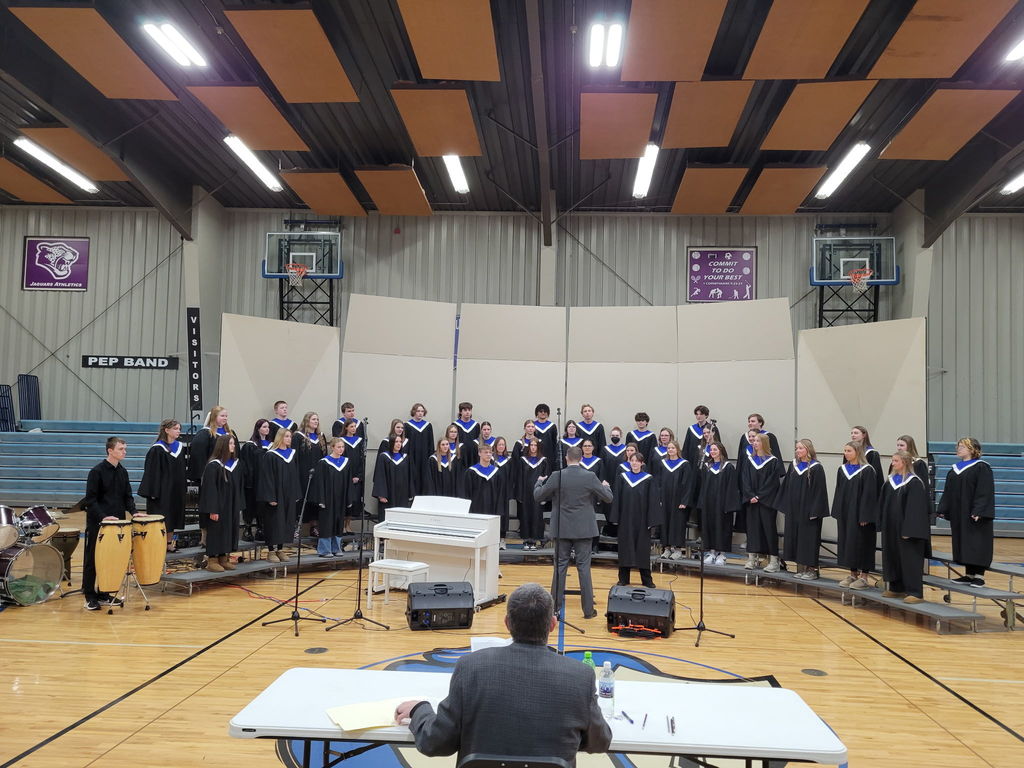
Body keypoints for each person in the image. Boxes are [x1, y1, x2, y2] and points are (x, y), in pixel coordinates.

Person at [395, 583, 612, 765]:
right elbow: (600, 742)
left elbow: (437, 742)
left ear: (507, 623)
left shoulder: (471, 667)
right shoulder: (579, 677)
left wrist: (419, 710)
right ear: (553, 625)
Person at [534, 445, 613, 619]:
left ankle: (554, 609)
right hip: (584, 529)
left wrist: (539, 481)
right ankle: (588, 611)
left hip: (562, 528)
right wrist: (606, 486)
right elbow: (608, 498)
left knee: (560, 567)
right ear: (581, 459)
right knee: (584, 568)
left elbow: (538, 496)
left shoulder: (557, 476)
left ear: (566, 458)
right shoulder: (590, 476)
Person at [81, 437, 139, 610]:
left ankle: (104, 593)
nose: (124, 452)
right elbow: (90, 500)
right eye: (121, 449)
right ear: (110, 451)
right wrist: (103, 516)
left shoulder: (123, 472)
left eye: (125, 449)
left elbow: (127, 496)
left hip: (118, 523)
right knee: (93, 559)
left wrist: (134, 512)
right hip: (98, 523)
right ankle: (90, 596)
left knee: (110, 559)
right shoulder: (96, 472)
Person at [937, 437, 995, 586]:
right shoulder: (955, 469)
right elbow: (948, 491)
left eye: (962, 446)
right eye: (958, 446)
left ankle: (979, 576)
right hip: (959, 513)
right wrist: (943, 508)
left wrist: (979, 510)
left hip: (974, 514)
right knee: (964, 542)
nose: (958, 449)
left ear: (972, 449)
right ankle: (969, 574)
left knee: (977, 542)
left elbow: (985, 491)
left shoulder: (981, 467)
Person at [880, 450, 932, 603]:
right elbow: (884, 504)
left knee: (910, 559)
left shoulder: (914, 482)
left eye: (896, 461)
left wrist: (909, 530)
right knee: (893, 556)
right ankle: (896, 587)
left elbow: (916, 510)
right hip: (891, 527)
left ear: (905, 463)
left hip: (907, 530)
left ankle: (915, 592)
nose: (893, 463)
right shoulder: (891, 481)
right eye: (893, 460)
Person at [832, 441, 880, 589]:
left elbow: (870, 496)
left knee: (862, 543)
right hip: (846, 513)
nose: (846, 453)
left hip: (861, 516)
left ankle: (864, 577)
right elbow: (839, 492)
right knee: (848, 543)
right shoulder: (843, 469)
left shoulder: (867, 470)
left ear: (857, 452)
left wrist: (866, 515)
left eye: (849, 451)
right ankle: (853, 574)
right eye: (845, 450)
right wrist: (838, 512)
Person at [778, 439, 829, 579]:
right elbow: (786, 488)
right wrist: (786, 507)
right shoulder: (794, 466)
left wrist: (815, 511)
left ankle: (812, 570)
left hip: (809, 512)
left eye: (800, 448)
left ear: (808, 449)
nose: (797, 451)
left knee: (809, 540)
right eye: (796, 448)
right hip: (794, 510)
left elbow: (820, 491)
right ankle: (801, 568)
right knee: (796, 538)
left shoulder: (816, 467)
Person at [609, 451, 660, 588]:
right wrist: (616, 518)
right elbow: (617, 498)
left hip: (642, 521)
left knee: (642, 550)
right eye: (632, 460)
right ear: (629, 462)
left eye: (638, 461)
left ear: (642, 463)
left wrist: (651, 522)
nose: (635, 463)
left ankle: (647, 579)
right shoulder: (622, 477)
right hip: (625, 519)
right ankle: (624, 578)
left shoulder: (648, 479)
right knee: (625, 549)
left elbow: (653, 501)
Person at [138, 418, 186, 551]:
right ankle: (158, 544)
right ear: (166, 430)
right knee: (163, 517)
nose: (178, 431)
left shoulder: (180, 448)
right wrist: (152, 492)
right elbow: (151, 473)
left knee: (173, 516)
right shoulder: (157, 449)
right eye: (175, 429)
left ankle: (169, 543)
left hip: (176, 489)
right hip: (162, 491)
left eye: (179, 429)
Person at [740, 433, 785, 572]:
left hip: (766, 502)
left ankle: (773, 560)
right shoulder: (749, 461)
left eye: (758, 440)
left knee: (768, 530)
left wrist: (759, 496)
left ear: (764, 443)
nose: (754, 442)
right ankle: (752, 558)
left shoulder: (773, 461)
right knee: (752, 530)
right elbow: (745, 480)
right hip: (752, 501)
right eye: (754, 440)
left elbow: (772, 483)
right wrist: (750, 495)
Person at [198, 434, 243, 572]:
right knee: (216, 531)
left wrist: (238, 506)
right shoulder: (214, 465)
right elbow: (210, 490)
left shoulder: (235, 464)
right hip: (218, 506)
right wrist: (213, 509)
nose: (233, 446)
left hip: (230, 506)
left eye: (233, 443)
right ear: (223, 446)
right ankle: (212, 560)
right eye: (230, 443)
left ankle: (224, 558)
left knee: (228, 531)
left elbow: (239, 487)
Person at [257, 429, 300, 563]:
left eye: (290, 437)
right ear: (280, 437)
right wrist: (270, 497)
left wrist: (296, 493)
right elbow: (266, 478)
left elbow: (295, 475)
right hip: (275, 495)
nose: (289, 439)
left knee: (286, 521)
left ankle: (280, 549)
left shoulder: (292, 454)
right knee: (273, 522)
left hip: (288, 495)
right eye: (286, 436)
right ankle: (270, 551)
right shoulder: (271, 455)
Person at [696, 442, 740, 565]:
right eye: (711, 450)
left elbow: (732, 488)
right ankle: (712, 552)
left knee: (723, 528)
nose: (713, 451)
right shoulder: (707, 466)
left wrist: (728, 505)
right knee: (709, 526)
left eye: (715, 449)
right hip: (709, 503)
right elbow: (703, 486)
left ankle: (722, 554)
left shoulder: (728, 467)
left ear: (721, 450)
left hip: (722, 504)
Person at [310, 437, 352, 557]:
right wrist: (321, 499)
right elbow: (319, 483)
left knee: (339, 523)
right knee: (327, 523)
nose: (341, 449)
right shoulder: (324, 462)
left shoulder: (346, 462)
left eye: (342, 447)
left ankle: (336, 548)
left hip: (340, 498)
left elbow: (348, 482)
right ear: (332, 447)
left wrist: (349, 499)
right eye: (338, 447)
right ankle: (325, 550)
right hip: (327, 499)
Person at [656, 439, 696, 560]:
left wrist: (684, 501)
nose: (670, 450)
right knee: (665, 523)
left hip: (679, 500)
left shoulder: (684, 464)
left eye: (673, 448)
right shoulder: (663, 463)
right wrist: (659, 498)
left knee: (677, 524)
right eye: (669, 448)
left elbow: (688, 485)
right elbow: (658, 483)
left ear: (677, 449)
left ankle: (678, 550)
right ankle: (667, 548)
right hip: (665, 499)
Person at [239, 419, 272, 542]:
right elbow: (246, 464)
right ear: (258, 429)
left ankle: (260, 529)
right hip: (253, 483)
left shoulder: (271, 445)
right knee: (250, 505)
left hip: (266, 482)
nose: (267, 429)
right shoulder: (250, 445)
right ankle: (247, 530)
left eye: (268, 427)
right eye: (264, 427)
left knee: (263, 506)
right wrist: (250, 481)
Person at [187, 406, 236, 483]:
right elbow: (199, 455)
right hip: (212, 473)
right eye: (222, 416)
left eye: (226, 416)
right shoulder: (205, 434)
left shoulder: (230, 433)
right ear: (214, 417)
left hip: (229, 471)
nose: (225, 418)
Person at [516, 438, 548, 550]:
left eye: (535, 445)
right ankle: (526, 540)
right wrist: (519, 494)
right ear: (528, 447)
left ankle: (534, 540)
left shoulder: (543, 461)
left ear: (538, 447)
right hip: (525, 493)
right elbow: (519, 478)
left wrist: (544, 495)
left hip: (538, 493)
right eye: (531, 445)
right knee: (525, 515)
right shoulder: (522, 460)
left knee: (537, 516)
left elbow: (546, 479)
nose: (533, 447)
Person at [372, 435, 416, 516]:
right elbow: (380, 477)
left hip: (403, 493)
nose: (399, 444)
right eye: (396, 442)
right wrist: (381, 495)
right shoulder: (384, 457)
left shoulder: (406, 457)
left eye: (400, 442)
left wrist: (410, 493)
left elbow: (410, 477)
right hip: (388, 494)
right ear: (391, 443)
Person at [460, 443, 504, 516]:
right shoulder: (471, 472)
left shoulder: (496, 472)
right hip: (475, 509)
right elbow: (467, 494)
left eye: (490, 452)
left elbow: (500, 493)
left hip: (492, 509)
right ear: (479, 453)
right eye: (486, 452)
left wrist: (498, 511)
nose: (488, 454)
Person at [405, 403, 435, 487]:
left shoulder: (428, 426)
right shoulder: (407, 426)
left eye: (422, 411)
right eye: (418, 411)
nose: (420, 413)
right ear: (414, 412)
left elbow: (431, 443)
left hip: (425, 457)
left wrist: (431, 457)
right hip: (412, 457)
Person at [851, 425, 884, 491]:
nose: (853, 435)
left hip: (866, 487)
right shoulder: (850, 452)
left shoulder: (872, 453)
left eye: (856, 433)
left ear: (864, 435)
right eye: (851, 433)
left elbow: (875, 474)